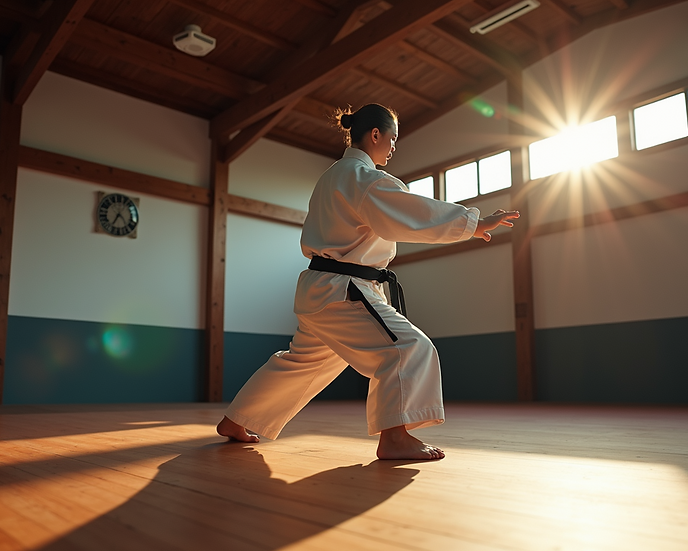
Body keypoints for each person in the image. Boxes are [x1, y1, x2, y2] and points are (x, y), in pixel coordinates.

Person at [217, 103, 520, 460]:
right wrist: (474, 222)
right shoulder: (362, 178)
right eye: (391, 138)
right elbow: (411, 212)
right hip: (344, 290)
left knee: (302, 363)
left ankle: (237, 419)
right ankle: (394, 437)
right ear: (375, 134)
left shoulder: (333, 176)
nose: (393, 147)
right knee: (409, 348)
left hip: (322, 288)